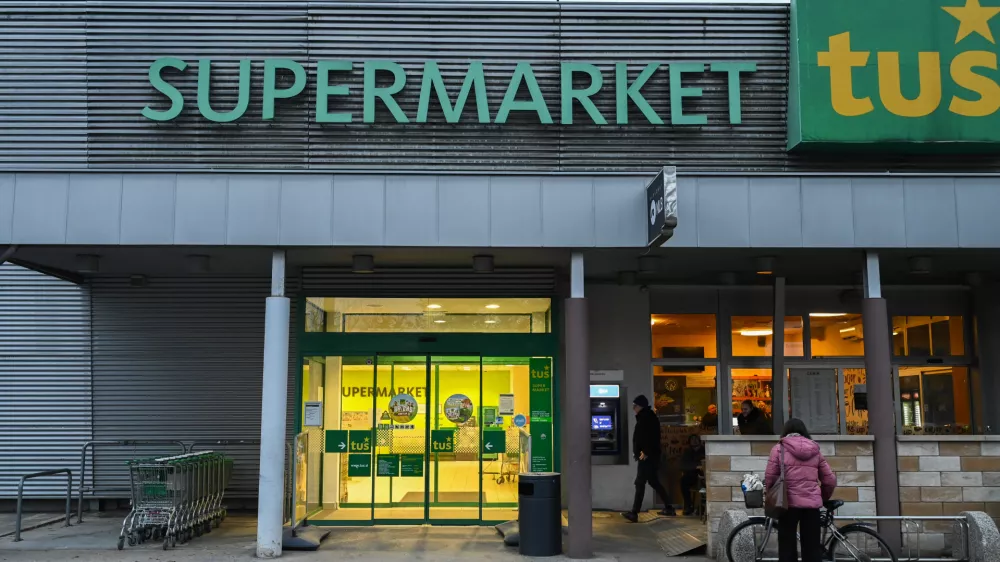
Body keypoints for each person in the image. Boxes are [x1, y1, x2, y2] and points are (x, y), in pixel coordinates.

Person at [765, 418, 837, 562]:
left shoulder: (779, 449)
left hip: (787, 505)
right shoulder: (815, 450)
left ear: (785, 431)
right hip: (811, 507)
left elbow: (770, 477)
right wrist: (822, 498)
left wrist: (770, 494)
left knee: (787, 547)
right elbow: (830, 480)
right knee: (812, 549)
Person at [622, 394, 674, 522]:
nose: (633, 408)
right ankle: (669, 507)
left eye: (635, 405)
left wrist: (645, 452)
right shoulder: (646, 417)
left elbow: (651, 438)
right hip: (648, 455)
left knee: (640, 483)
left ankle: (634, 513)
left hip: (647, 457)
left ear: (640, 406)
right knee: (653, 482)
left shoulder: (647, 418)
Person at [679, 434, 705, 515]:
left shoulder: (704, 450)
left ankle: (702, 508)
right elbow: (683, 465)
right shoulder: (687, 452)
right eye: (692, 439)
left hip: (703, 475)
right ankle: (688, 505)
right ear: (689, 441)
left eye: (696, 438)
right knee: (683, 481)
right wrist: (695, 466)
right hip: (691, 475)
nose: (694, 440)